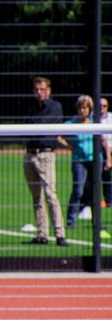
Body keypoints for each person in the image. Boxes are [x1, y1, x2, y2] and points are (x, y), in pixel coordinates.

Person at [23, 77, 67, 246]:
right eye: (36, 89)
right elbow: (26, 127)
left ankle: (60, 233)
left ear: (49, 90)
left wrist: (34, 128)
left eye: (42, 89)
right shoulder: (31, 106)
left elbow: (43, 126)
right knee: (36, 197)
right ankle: (42, 233)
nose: (39, 92)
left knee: (50, 194)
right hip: (29, 154)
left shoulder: (55, 107)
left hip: (46, 155)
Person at [59, 96, 99, 229]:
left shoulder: (95, 122)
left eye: (85, 108)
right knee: (78, 190)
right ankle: (71, 221)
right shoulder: (71, 123)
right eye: (80, 108)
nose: (82, 111)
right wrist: (70, 146)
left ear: (90, 109)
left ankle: (97, 221)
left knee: (95, 190)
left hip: (94, 159)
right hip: (78, 160)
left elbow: (104, 139)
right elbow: (58, 135)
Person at [100, 97, 112, 208]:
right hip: (101, 152)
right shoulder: (93, 119)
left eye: (104, 106)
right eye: (100, 106)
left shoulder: (111, 118)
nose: (102, 108)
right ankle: (109, 201)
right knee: (106, 177)